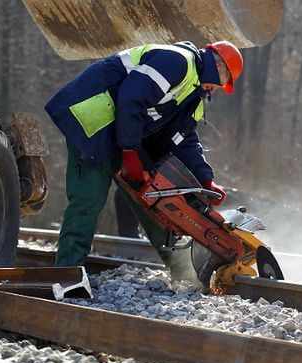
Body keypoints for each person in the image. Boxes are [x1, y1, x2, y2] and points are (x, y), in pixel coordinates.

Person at [45, 40, 243, 282]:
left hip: (125, 132)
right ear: (219, 67)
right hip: (95, 123)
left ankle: (185, 275)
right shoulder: (177, 61)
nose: (219, 88)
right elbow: (132, 97)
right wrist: (130, 152)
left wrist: (205, 178)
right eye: (224, 81)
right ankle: (66, 275)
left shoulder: (194, 93)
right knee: (88, 200)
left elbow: (185, 138)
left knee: (157, 201)